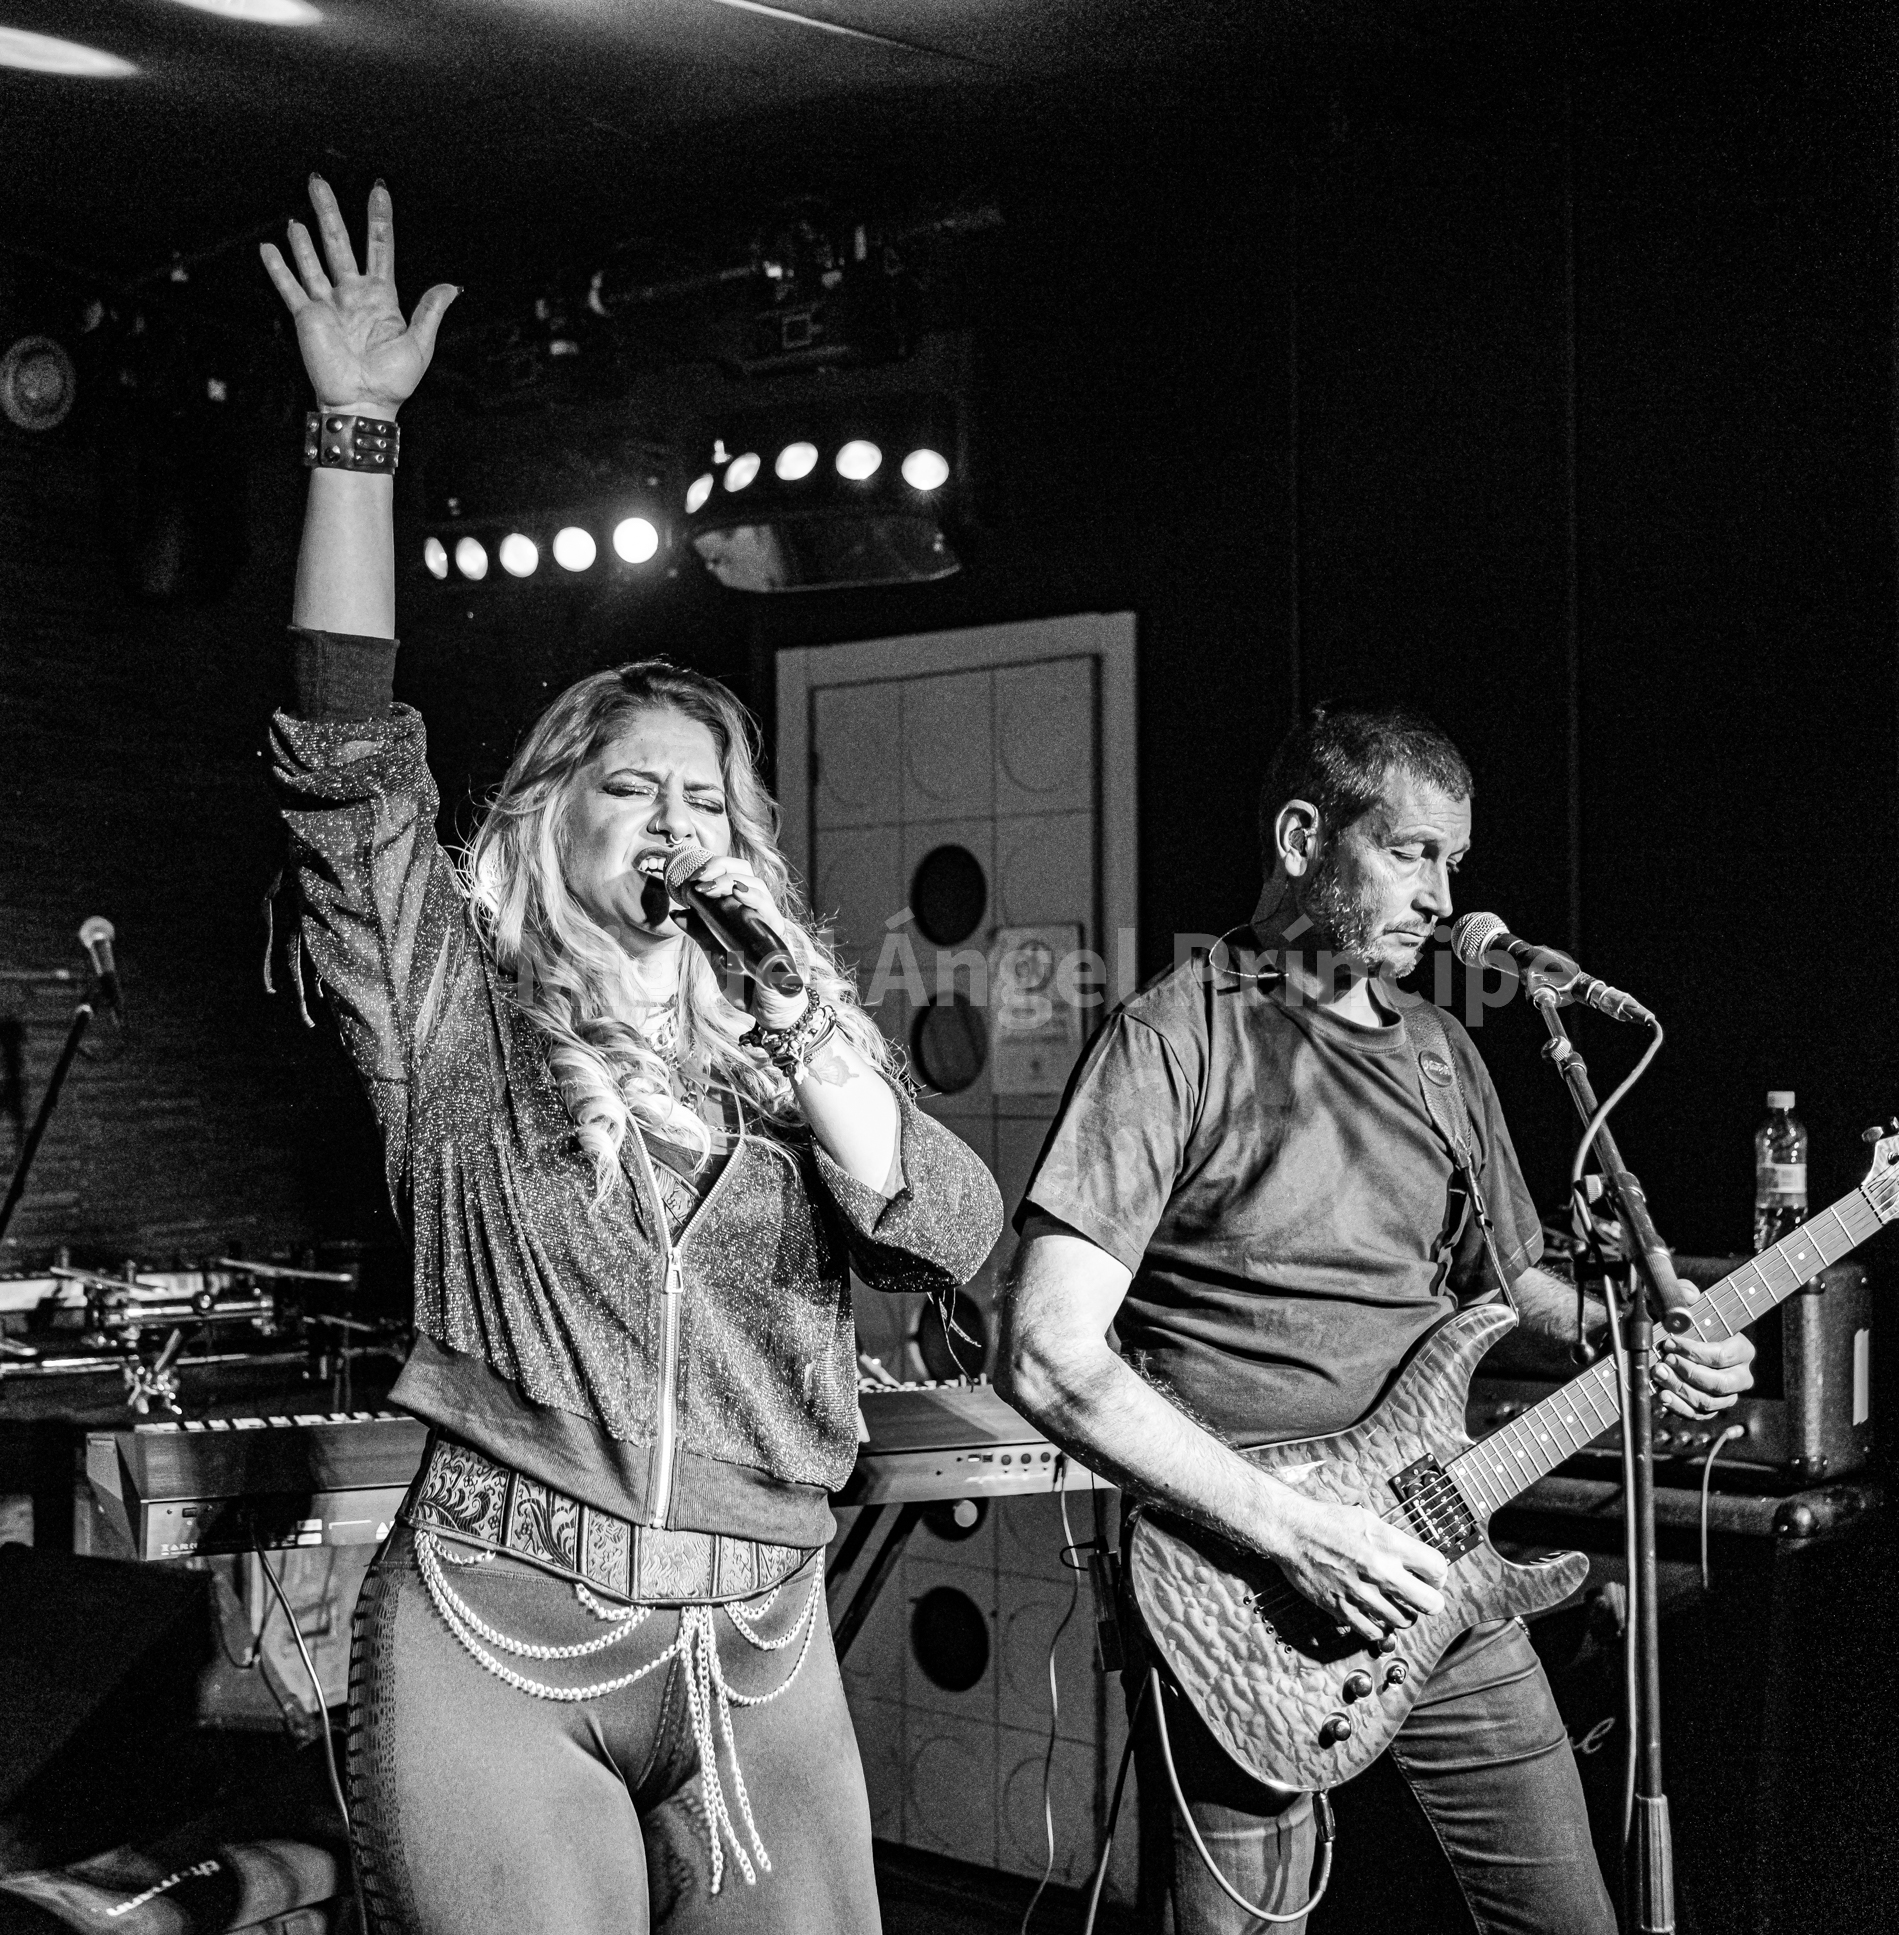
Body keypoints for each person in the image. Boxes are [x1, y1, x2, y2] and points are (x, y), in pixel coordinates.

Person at [260, 176, 1003, 1935]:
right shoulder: (459, 1015)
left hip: (758, 1647)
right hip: (508, 1625)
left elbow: (958, 1229)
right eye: (631, 788)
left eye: (707, 798)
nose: (674, 819)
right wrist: (356, 433)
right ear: (550, 819)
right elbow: (345, 760)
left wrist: (809, 1032)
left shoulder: (787, 1048)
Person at [996, 703, 1755, 1934]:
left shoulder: (1444, 1053)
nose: (1443, 897)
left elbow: (1516, 1291)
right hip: (1244, 1583)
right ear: (1304, 837)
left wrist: (1629, 1339)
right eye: (1410, 853)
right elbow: (1044, 1350)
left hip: (1440, 1559)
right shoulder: (1175, 1037)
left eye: (1455, 861)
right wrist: (1297, 1534)